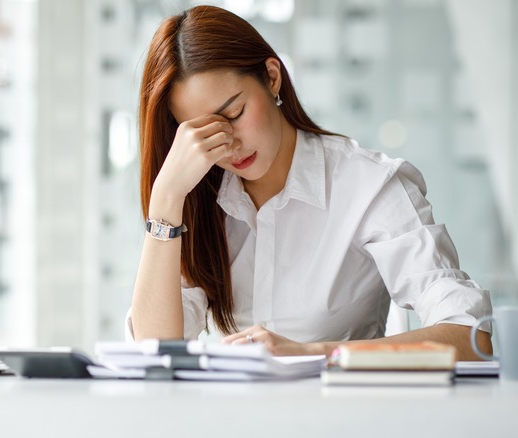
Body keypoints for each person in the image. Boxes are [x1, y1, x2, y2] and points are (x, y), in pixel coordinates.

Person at [128, 5, 493, 360]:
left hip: (341, 416)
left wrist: (313, 353)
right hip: (233, 417)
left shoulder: (367, 184)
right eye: (204, 135)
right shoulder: (197, 200)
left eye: (234, 114)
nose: (229, 145)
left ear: (272, 77)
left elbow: (469, 337)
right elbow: (154, 353)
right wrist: (166, 198)